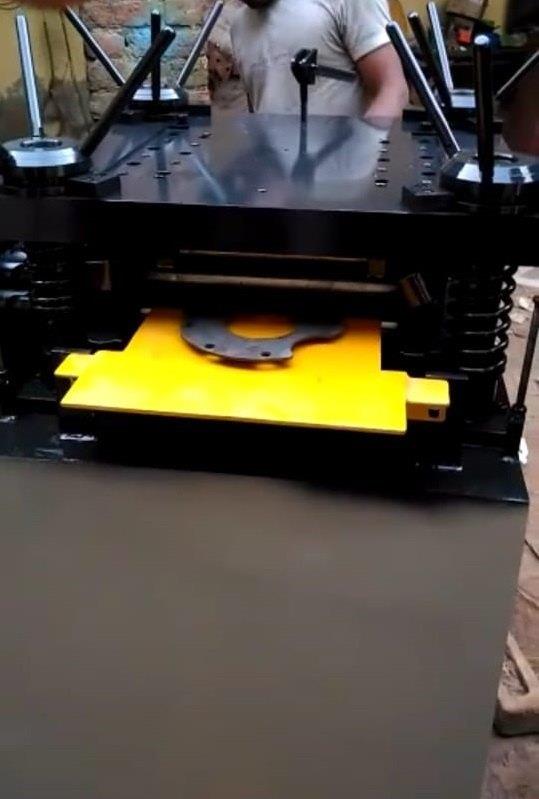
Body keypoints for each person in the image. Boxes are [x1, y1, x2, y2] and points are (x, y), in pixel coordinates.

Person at [230, 0, 408, 119]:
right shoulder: (238, 26)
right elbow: (261, 108)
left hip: (346, 163)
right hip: (274, 166)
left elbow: (392, 90)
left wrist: (366, 153)